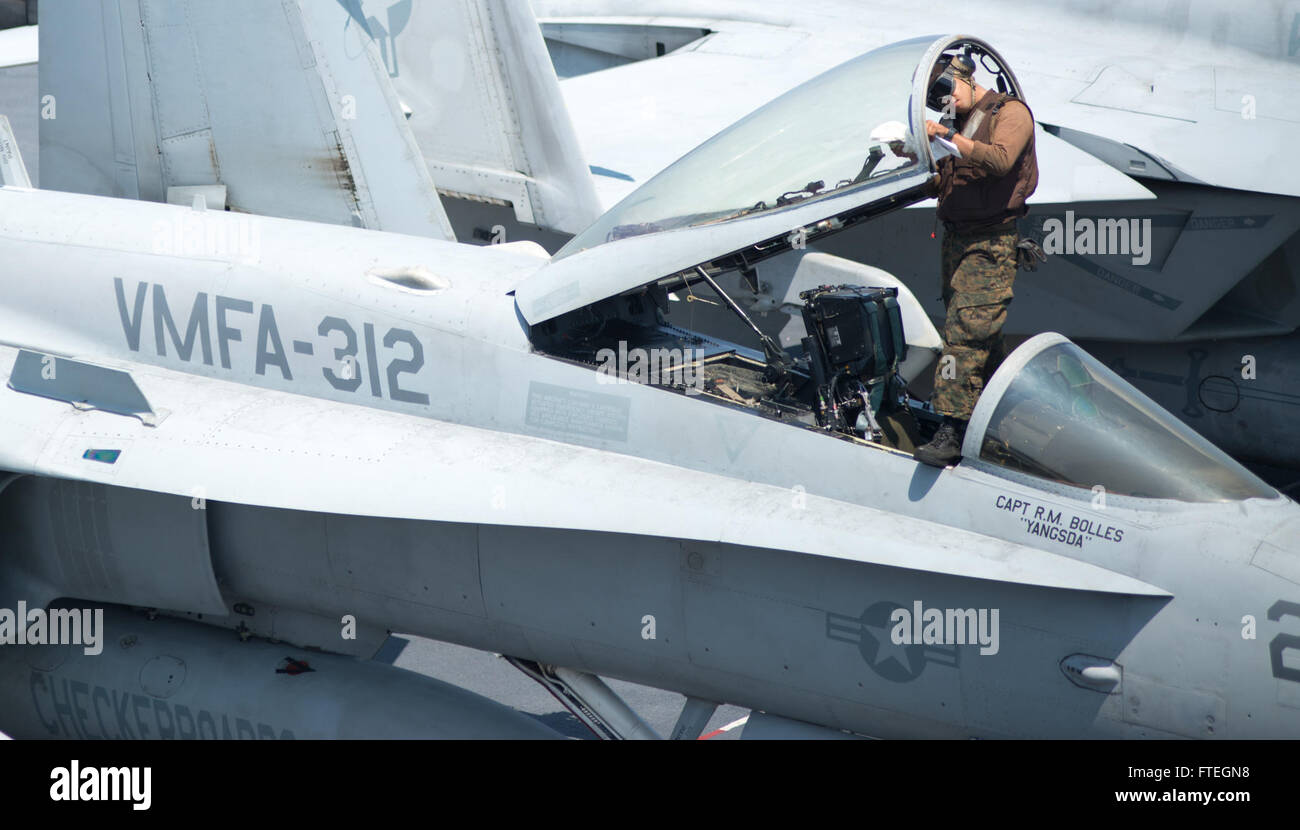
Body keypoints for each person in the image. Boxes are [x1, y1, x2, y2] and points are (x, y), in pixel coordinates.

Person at [913, 54, 1038, 467]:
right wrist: (912, 152)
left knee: (964, 336)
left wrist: (951, 138)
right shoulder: (959, 124)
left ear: (966, 80)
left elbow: (1001, 159)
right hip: (957, 241)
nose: (946, 103)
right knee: (978, 334)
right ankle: (1005, 418)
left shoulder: (1011, 113)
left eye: (948, 92)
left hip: (991, 244)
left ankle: (951, 426)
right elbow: (947, 180)